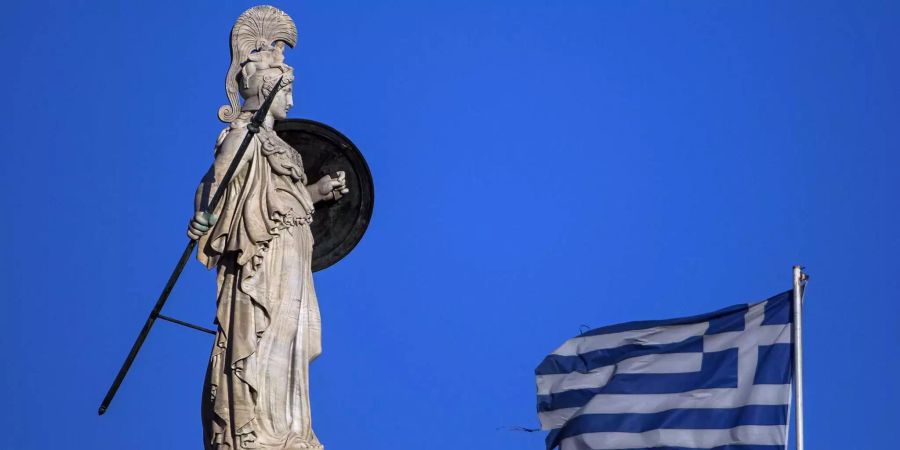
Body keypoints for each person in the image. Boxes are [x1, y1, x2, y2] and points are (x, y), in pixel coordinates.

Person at [186, 20, 348, 448]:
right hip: (264, 254)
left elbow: (286, 197)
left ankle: (293, 428)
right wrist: (207, 213)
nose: (291, 103)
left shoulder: (284, 149)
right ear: (268, 89)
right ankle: (258, 427)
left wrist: (315, 192)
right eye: (287, 92)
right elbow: (219, 181)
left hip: (294, 248)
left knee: (298, 337)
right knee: (266, 332)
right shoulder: (243, 136)